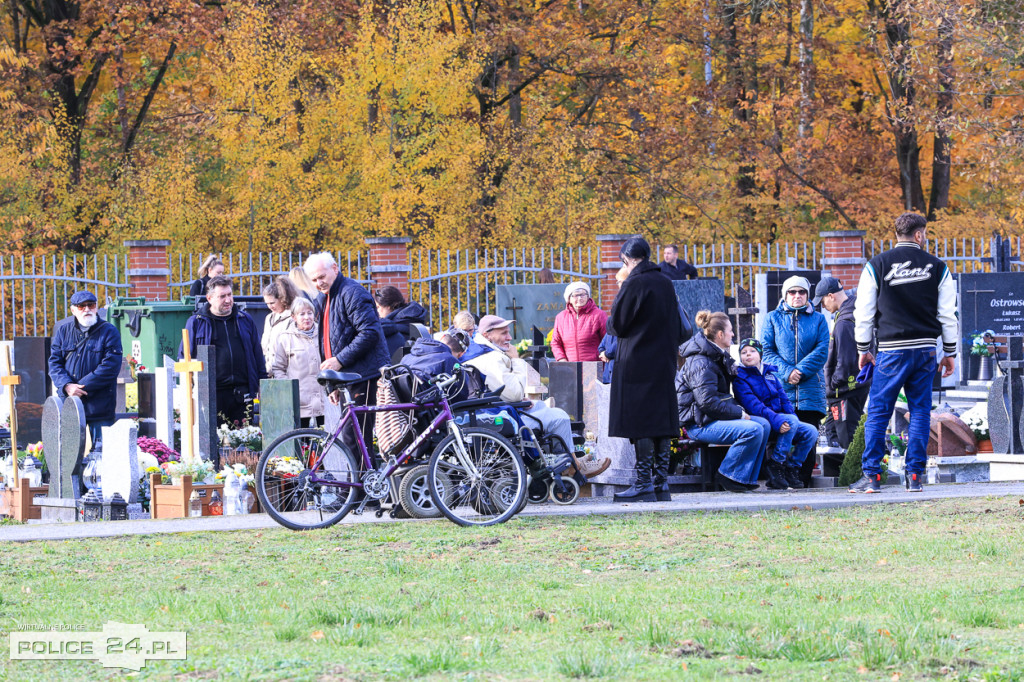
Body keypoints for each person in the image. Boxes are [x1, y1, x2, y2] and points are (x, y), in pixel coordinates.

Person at [851, 212, 957, 493]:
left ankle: (872, 476)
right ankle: (914, 476)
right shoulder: (938, 267)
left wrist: (863, 348)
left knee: (878, 411)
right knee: (920, 411)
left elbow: (863, 313)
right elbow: (948, 315)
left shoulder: (877, 265)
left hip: (890, 351)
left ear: (897, 234)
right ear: (920, 235)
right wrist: (950, 352)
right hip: (925, 350)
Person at [464, 315, 609, 477]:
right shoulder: (490, 358)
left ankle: (573, 461)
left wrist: (517, 400)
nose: (509, 337)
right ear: (487, 335)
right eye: (504, 333)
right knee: (559, 417)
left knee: (542, 407)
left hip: (495, 411)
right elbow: (515, 392)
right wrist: (516, 360)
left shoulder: (480, 352)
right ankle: (573, 467)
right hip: (501, 418)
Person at [608, 236, 685, 502]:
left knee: (640, 420)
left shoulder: (634, 282)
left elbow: (617, 325)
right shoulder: (664, 281)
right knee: (661, 419)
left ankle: (643, 483)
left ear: (627, 260)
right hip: (664, 359)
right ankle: (661, 483)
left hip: (637, 360)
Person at [676, 312, 771, 493]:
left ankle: (746, 477)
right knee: (753, 429)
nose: (733, 334)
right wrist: (739, 414)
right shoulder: (701, 361)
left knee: (764, 425)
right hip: (699, 424)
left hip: (710, 417)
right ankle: (728, 474)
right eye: (730, 331)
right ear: (720, 335)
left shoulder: (715, 355)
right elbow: (708, 403)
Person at [304, 252, 390, 441]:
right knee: (352, 436)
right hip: (347, 376)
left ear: (335, 268)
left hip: (363, 375)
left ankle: (365, 472)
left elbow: (370, 333)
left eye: (322, 276)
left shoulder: (352, 292)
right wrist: (332, 383)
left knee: (356, 436)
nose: (319, 283)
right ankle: (363, 472)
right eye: (314, 280)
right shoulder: (323, 298)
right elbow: (328, 341)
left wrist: (340, 361)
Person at [760, 275, 830, 486]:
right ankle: (776, 479)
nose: (797, 296)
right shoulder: (772, 318)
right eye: (792, 292)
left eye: (802, 292)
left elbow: (822, 350)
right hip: (781, 389)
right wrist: (787, 372)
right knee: (780, 433)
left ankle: (801, 479)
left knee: (808, 436)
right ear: (785, 295)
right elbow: (767, 350)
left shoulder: (818, 319)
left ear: (808, 295)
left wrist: (799, 371)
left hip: (810, 390)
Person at [733, 338, 818, 490]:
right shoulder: (740, 378)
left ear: (760, 355)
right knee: (791, 421)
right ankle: (775, 464)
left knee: (810, 431)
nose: (748, 355)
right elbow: (753, 405)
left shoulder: (770, 373)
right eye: (744, 352)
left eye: (752, 351)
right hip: (761, 421)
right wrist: (778, 421)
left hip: (781, 420)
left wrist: (794, 422)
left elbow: (784, 400)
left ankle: (792, 467)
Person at [181, 275, 266, 426]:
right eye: (222, 296)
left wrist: (261, 383)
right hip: (211, 394)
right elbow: (184, 357)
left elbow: (257, 354)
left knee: (244, 442)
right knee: (214, 442)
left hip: (242, 394)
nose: (228, 300)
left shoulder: (244, 319)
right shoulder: (196, 323)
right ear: (209, 298)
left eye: (229, 295)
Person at [48, 291, 124, 447]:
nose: (87, 309)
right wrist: (67, 386)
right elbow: (55, 364)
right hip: (70, 404)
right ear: (73, 310)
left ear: (96, 307)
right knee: (70, 457)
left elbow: (110, 366)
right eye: (81, 306)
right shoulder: (63, 331)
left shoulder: (109, 331)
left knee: (102, 456)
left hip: (100, 406)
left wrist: (80, 387)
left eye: (91, 305)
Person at [813, 276, 870, 452]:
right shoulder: (854, 312)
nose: (822, 306)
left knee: (847, 437)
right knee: (832, 433)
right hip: (851, 387)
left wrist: (835, 383)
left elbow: (845, 360)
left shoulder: (845, 322)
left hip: (844, 391)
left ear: (831, 296)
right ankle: (838, 474)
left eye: (822, 300)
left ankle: (856, 474)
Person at [271, 297, 324, 428]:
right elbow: (278, 368)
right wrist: (289, 389)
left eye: (309, 313)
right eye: (302, 314)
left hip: (324, 399)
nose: (307, 317)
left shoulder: (324, 334)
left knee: (328, 441)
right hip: (300, 400)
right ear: (294, 317)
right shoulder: (285, 338)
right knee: (301, 441)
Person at [551, 281, 607, 362]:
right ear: (569, 299)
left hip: (594, 366)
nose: (580, 298)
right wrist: (561, 359)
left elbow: (608, 340)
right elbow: (556, 343)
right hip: (569, 367)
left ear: (588, 296)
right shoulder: (560, 317)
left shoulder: (599, 315)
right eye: (576, 295)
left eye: (583, 294)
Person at [374, 285, 428, 358]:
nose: (376, 311)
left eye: (378, 307)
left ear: (389, 306)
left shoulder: (391, 328)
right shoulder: (411, 318)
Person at [598, 267, 628, 384]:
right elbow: (606, 338)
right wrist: (603, 352)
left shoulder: (628, 302)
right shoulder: (620, 300)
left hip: (621, 365)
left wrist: (607, 353)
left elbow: (624, 338)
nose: (618, 285)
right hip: (610, 368)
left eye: (619, 281)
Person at [261, 277, 298, 373]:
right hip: (269, 371)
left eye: (272, 303)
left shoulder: (292, 318)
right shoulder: (269, 318)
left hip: (286, 371)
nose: (270, 307)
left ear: (282, 299)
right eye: (267, 303)